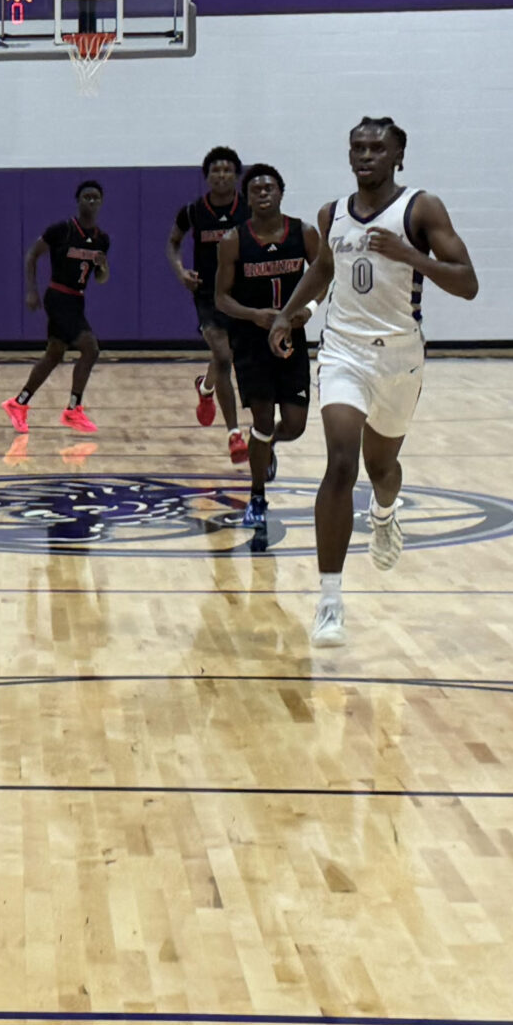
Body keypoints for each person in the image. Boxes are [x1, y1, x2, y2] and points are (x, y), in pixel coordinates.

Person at [268, 117, 479, 648]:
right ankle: (330, 602)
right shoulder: (331, 213)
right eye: (357, 147)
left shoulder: (421, 209)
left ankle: (384, 512)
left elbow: (468, 284)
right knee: (340, 462)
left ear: (398, 156)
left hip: (400, 360)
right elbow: (322, 269)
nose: (366, 156)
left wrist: (410, 254)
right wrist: (286, 315)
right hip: (343, 351)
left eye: (377, 148)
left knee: (380, 467)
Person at [211, 165, 318, 542]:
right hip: (252, 342)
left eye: (269, 186)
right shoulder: (234, 240)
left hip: (291, 338)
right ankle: (257, 496)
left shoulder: (304, 232)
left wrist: (307, 312)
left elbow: (323, 278)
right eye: (255, 188)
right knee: (262, 419)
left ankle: (265, 448)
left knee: (294, 424)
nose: (262, 192)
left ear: (281, 192)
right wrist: (255, 315)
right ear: (248, 197)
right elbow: (220, 298)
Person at [6, 179, 112, 436]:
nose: (91, 201)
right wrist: (32, 289)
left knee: (54, 355)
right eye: (86, 196)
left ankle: (18, 403)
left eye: (96, 197)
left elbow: (101, 278)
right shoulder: (62, 230)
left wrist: (102, 265)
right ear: (78, 201)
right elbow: (32, 254)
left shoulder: (102, 239)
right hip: (58, 297)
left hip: (77, 299)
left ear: (101, 202)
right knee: (91, 348)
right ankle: (73, 410)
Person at [168, 147, 247, 458]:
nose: (221, 175)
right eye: (215, 170)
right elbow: (172, 242)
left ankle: (205, 388)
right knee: (224, 356)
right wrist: (180, 270)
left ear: (236, 175)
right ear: (207, 176)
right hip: (208, 295)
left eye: (227, 170)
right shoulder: (193, 211)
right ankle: (234, 435)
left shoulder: (249, 209)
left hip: (242, 294)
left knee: (227, 353)